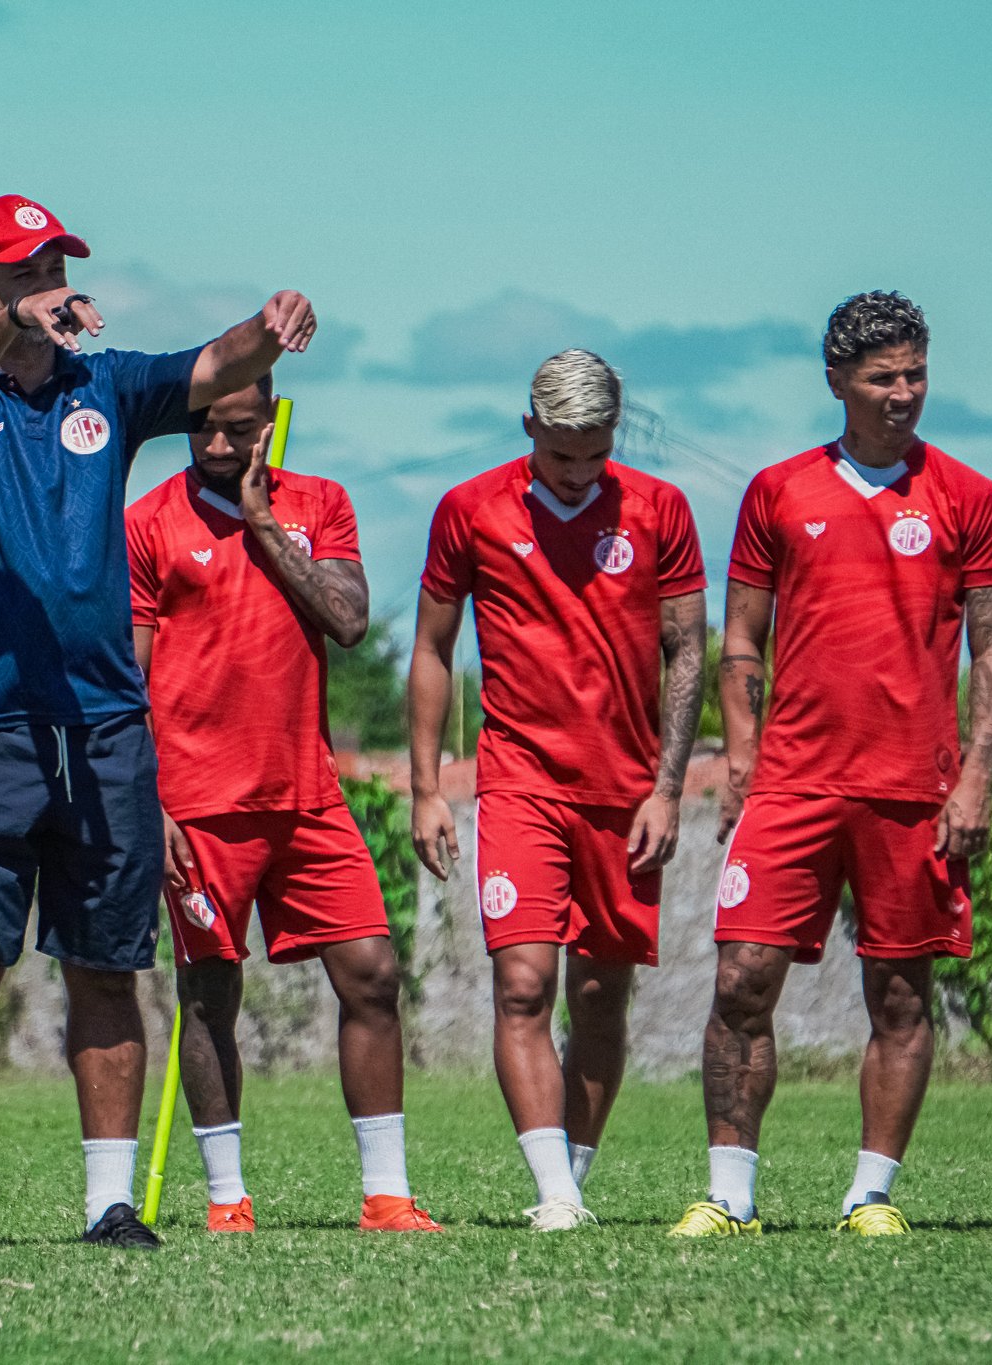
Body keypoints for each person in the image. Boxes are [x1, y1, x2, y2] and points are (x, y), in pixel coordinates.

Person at [0, 195, 316, 1251]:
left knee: (105, 966)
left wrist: (269, 327)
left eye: (56, 264)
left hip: (103, 731)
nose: (48, 279)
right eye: (25, 267)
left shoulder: (107, 382)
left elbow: (212, 367)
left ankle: (108, 1204)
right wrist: (13, 326)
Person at [671, 292, 992, 1238]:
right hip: (793, 783)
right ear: (836, 382)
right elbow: (741, 636)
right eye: (882, 378)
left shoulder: (971, 498)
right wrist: (743, 748)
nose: (904, 394)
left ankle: (871, 1196)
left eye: (915, 374)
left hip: (915, 788)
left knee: (901, 994)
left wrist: (977, 776)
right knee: (741, 979)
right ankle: (729, 1194)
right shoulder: (778, 491)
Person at [127, 377, 442, 1235]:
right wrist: (145, 799)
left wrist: (265, 521)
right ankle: (228, 1198)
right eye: (201, 430)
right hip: (196, 803)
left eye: (236, 431)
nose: (218, 448)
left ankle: (386, 1195)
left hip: (307, 794)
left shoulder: (321, 503)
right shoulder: (149, 520)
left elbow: (347, 619)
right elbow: (127, 675)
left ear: (270, 420)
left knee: (373, 975)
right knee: (209, 993)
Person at [409, 350, 706, 1230]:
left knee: (600, 998)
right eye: (561, 452)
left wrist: (670, 787)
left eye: (595, 452)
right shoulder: (470, 510)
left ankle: (571, 1180)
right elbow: (431, 647)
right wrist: (427, 786)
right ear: (528, 425)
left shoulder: (662, 510)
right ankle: (554, 1194)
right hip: (519, 785)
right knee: (525, 985)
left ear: (616, 433)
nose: (578, 470)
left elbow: (686, 648)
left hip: (626, 796)